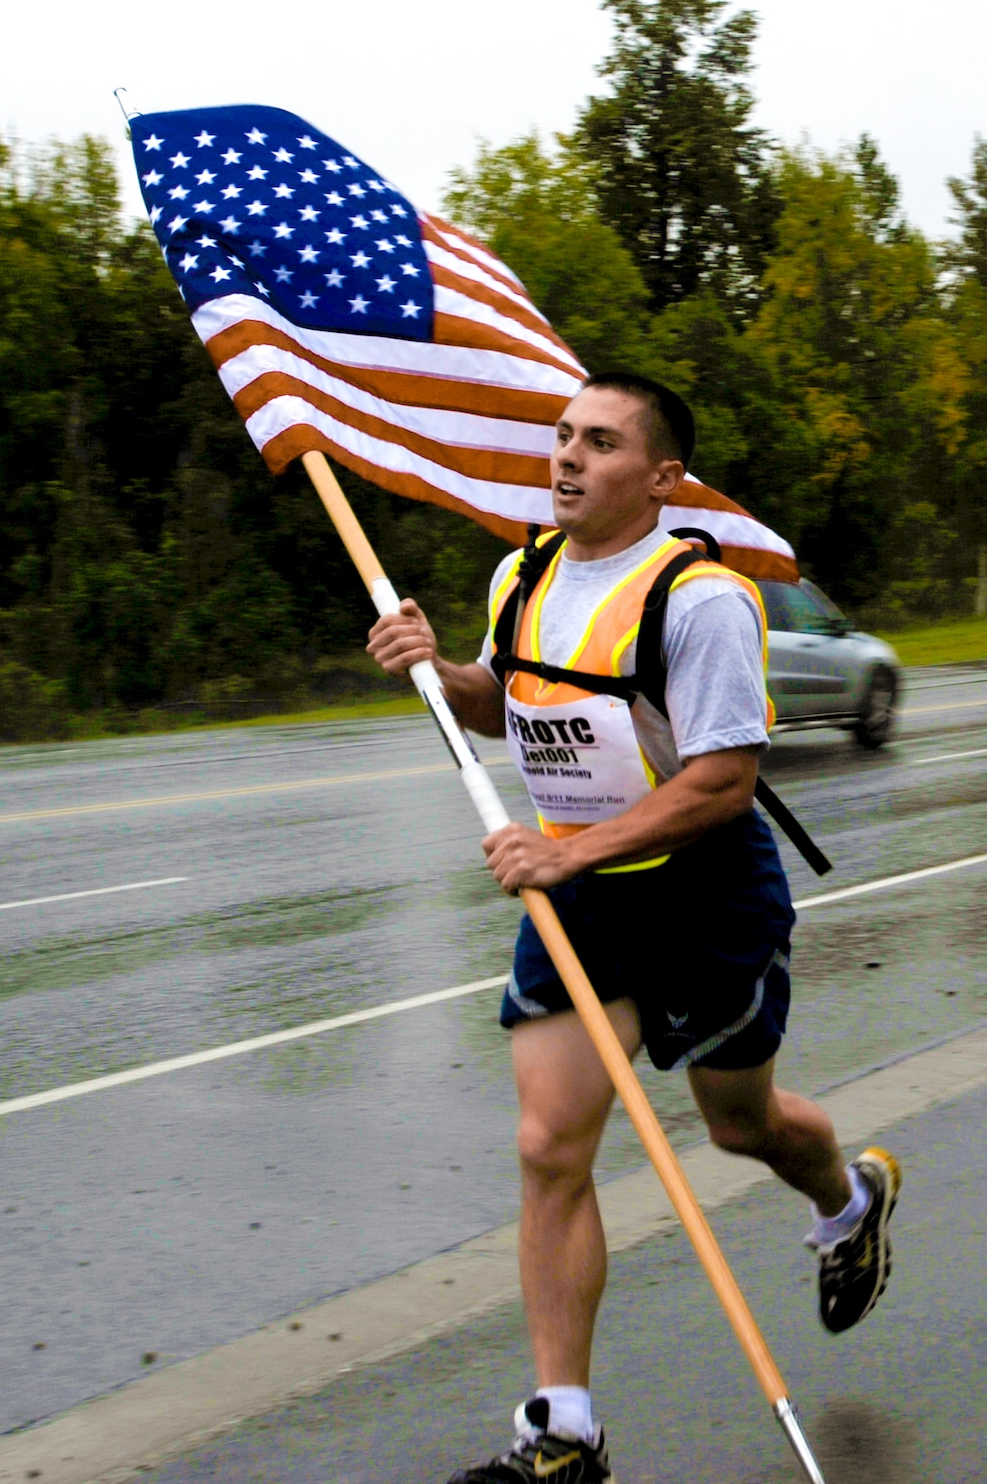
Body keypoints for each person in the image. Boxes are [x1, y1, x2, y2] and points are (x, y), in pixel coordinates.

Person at [369, 372, 900, 1484]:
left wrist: (564, 848)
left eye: (599, 443)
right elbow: (506, 699)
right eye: (562, 436)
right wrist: (436, 668)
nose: (566, 458)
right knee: (549, 1144)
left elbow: (720, 781)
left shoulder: (701, 599)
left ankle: (846, 1197)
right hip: (579, 893)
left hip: (703, 889)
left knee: (739, 1125)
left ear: (659, 477)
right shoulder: (523, 573)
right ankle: (562, 1430)